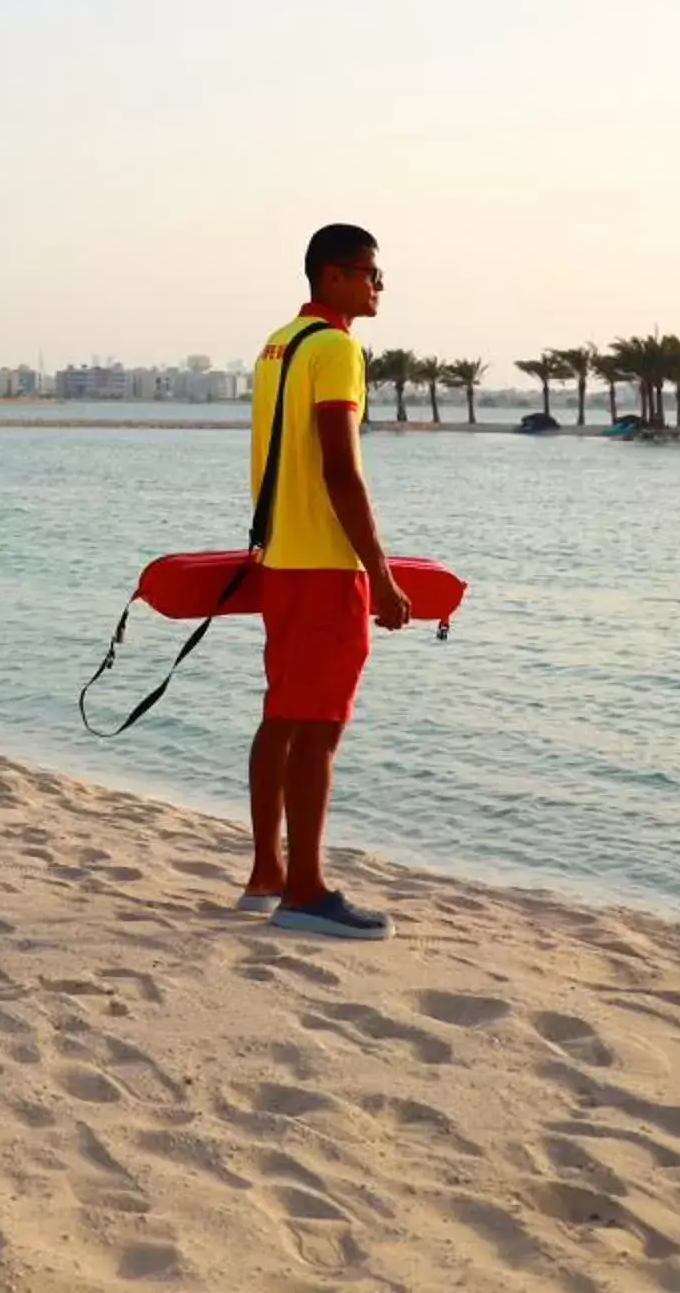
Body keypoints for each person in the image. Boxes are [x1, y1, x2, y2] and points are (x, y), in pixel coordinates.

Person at [240, 223, 414, 938]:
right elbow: (341, 468)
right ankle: (305, 891)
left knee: (282, 715)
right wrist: (381, 572)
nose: (380, 287)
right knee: (320, 728)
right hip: (324, 565)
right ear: (334, 277)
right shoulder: (338, 349)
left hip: (279, 559)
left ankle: (266, 874)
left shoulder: (276, 344)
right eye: (373, 274)